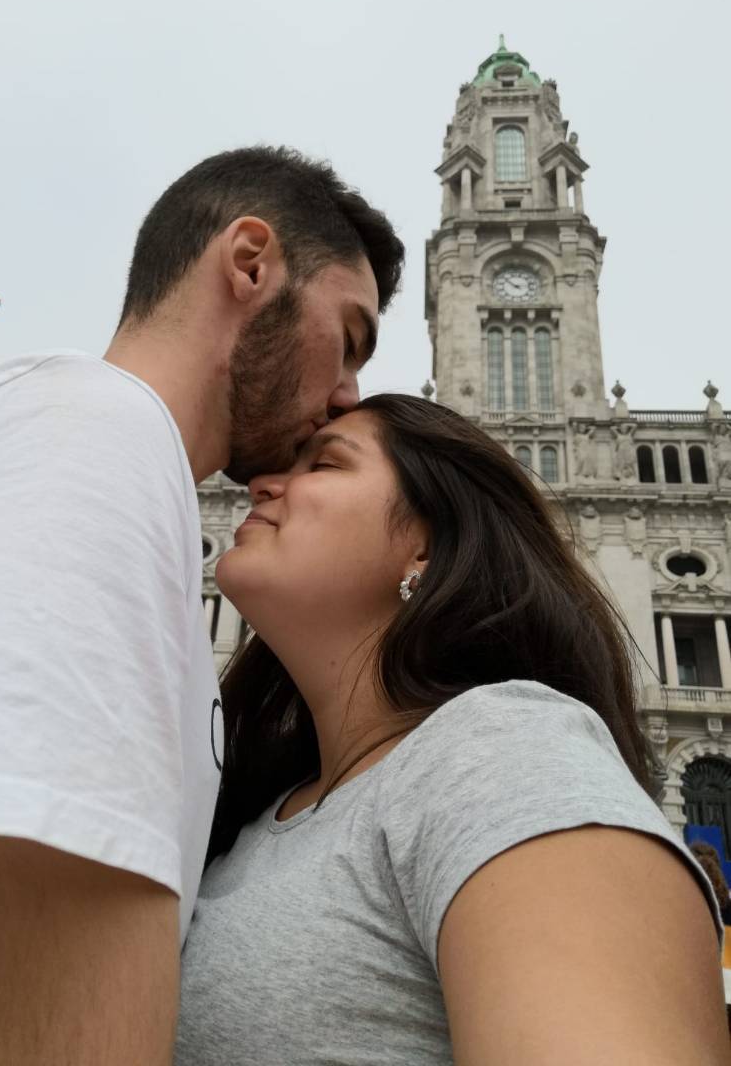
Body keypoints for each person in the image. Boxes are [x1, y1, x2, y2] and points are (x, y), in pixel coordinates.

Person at [0, 146, 404, 1066]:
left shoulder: (96, 457)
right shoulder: (92, 448)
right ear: (248, 265)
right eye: (348, 337)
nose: (350, 394)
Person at [176, 394, 729, 1066]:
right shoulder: (262, 810)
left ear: (427, 546)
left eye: (323, 464)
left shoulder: (508, 755)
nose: (260, 482)